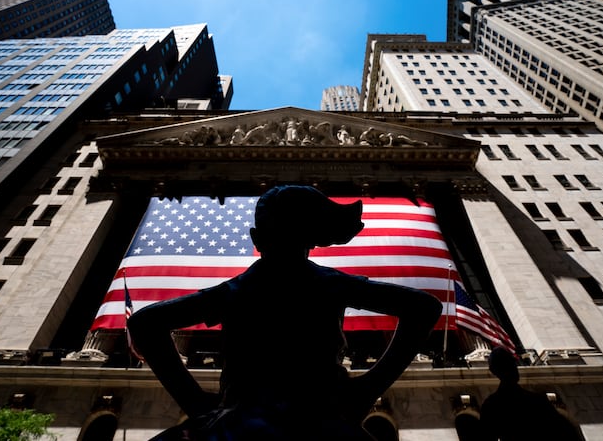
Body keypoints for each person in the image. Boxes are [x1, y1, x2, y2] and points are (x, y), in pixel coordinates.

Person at [128, 185, 443, 441]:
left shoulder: (239, 289)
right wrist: (367, 389)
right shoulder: (328, 283)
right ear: (312, 238)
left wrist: (194, 404)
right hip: (319, 423)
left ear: (257, 238)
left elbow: (145, 322)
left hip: (241, 423)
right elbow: (423, 307)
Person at [480, 347, 582, 441]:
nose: (514, 368)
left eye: (513, 363)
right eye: (509, 364)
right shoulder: (537, 401)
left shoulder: (490, 406)